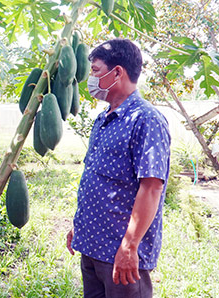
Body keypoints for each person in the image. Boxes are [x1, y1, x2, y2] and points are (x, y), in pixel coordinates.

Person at [66, 39, 171, 298]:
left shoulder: (146, 119)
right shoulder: (103, 119)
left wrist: (130, 245)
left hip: (118, 253)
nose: (91, 78)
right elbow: (98, 179)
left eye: (96, 70)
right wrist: (79, 226)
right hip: (92, 246)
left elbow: (151, 187)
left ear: (117, 73)